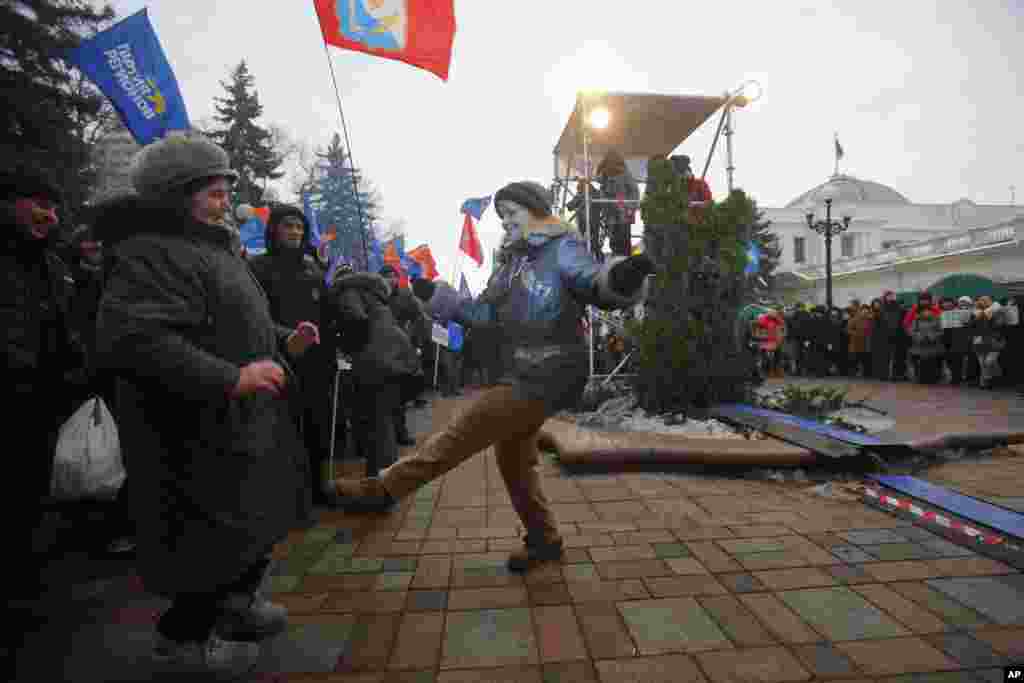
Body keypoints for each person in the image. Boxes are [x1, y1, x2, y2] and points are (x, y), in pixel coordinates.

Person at [326, 181, 655, 571]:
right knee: (513, 460)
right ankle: (544, 540)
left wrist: (622, 277)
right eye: (502, 215)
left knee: (459, 435)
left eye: (512, 212)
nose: (506, 221)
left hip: (548, 372)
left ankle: (382, 489)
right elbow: (483, 317)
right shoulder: (509, 264)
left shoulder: (561, 248)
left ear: (536, 211)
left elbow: (594, 283)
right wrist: (439, 296)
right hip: (517, 370)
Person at [94, 133, 319, 678]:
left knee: (252, 520)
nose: (226, 206)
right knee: (206, 538)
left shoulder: (214, 249)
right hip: (192, 426)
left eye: (225, 194)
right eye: (215, 195)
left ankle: (237, 606)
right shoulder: (152, 253)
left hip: (240, 422)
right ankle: (184, 641)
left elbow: (238, 320)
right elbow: (136, 338)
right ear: (176, 196)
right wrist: (231, 377)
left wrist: (283, 340)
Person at [2, 168, 89, 608]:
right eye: (39, 204)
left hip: (43, 401)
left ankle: (25, 583)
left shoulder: (54, 264)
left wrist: (79, 373)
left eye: (53, 207)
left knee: (29, 497)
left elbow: (66, 329)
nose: (49, 217)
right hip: (12, 396)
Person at [249, 204, 338, 506]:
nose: (295, 232)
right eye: (289, 226)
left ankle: (317, 486)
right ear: (274, 229)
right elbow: (255, 316)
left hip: (317, 362)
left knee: (317, 424)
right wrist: (289, 337)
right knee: (284, 427)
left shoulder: (312, 267)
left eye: (300, 227)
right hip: (278, 359)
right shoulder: (258, 267)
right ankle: (287, 494)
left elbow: (325, 311)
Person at [329, 265, 421, 476]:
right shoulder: (373, 291)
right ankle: (387, 478)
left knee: (376, 425)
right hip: (395, 358)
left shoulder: (347, 291)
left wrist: (342, 340)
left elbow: (356, 320)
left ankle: (381, 485)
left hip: (373, 362)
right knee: (383, 422)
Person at [381, 266, 430, 444]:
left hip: (400, 349)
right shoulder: (374, 295)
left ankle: (400, 433)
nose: (391, 279)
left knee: (398, 393)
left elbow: (420, 318)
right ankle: (386, 437)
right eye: (386, 276)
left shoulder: (405, 295)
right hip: (379, 349)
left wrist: (415, 342)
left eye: (394, 276)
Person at [596, 150, 639, 258]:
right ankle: (618, 259)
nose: (611, 165)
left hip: (622, 209)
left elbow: (634, 192)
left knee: (623, 238)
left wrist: (631, 207)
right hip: (611, 210)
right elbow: (598, 179)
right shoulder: (604, 175)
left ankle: (623, 260)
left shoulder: (625, 174)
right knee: (614, 238)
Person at [967, 295, 1007, 389]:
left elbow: (1000, 324)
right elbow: (970, 325)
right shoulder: (975, 312)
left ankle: (994, 377)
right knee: (982, 363)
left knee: (989, 361)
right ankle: (984, 383)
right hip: (979, 339)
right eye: (981, 300)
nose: (983, 302)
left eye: (986, 300)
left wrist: (990, 316)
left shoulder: (998, 311)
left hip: (994, 339)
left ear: (991, 302)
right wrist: (976, 317)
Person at [872, 290, 908, 380]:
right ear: (884, 297)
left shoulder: (900, 309)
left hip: (898, 335)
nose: (890, 298)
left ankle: (898, 375)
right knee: (884, 357)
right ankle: (884, 374)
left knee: (898, 357)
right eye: (888, 296)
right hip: (884, 336)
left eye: (892, 296)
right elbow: (877, 325)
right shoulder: (880, 310)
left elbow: (903, 322)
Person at [908, 296, 944, 384]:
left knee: (933, 362)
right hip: (919, 346)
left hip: (933, 345)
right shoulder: (916, 320)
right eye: (924, 311)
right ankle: (919, 378)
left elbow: (941, 330)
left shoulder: (937, 319)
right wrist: (919, 336)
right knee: (918, 363)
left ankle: (935, 378)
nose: (926, 313)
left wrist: (932, 336)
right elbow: (912, 330)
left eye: (928, 311)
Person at [847, 304, 873, 378]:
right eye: (863, 310)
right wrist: (855, 334)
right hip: (856, 343)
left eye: (866, 310)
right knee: (854, 359)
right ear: (860, 311)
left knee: (866, 360)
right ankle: (853, 373)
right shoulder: (855, 319)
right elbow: (848, 329)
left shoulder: (870, 319)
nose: (865, 311)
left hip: (866, 343)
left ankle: (866, 373)